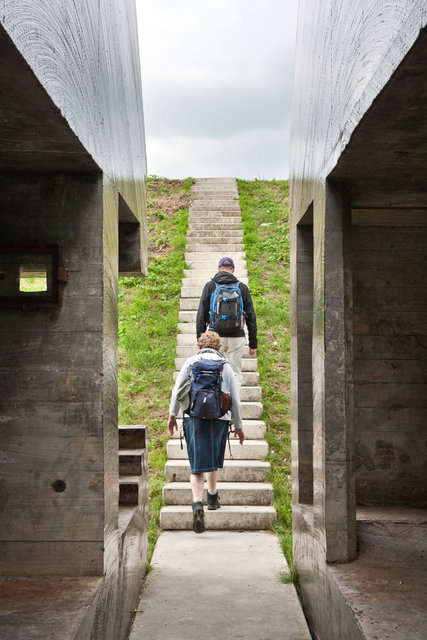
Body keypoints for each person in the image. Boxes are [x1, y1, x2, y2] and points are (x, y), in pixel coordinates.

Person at [168, 331, 244, 534]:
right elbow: (234, 398)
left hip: (194, 418)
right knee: (211, 458)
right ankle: (212, 496)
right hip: (219, 419)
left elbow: (177, 390)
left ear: (200, 345)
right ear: (219, 346)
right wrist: (239, 426)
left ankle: (197, 504)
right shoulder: (225, 365)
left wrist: (172, 415)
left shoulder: (191, 362)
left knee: (197, 466)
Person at [196, 256, 257, 394]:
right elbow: (251, 317)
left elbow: (201, 315)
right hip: (237, 337)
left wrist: (200, 340)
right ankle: (232, 404)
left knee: (214, 371)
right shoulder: (241, 287)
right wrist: (253, 343)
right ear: (233, 270)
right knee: (235, 373)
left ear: (218, 269)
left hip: (215, 337)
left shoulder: (210, 286)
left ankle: (217, 404)